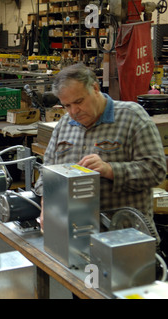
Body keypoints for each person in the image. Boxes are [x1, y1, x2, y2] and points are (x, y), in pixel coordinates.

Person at [34, 63, 166, 234]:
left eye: (79, 101)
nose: (74, 111)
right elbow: (47, 174)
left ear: (95, 88)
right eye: (67, 106)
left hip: (124, 234)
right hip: (75, 233)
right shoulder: (64, 125)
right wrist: (47, 206)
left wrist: (109, 169)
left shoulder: (132, 117)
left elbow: (156, 170)